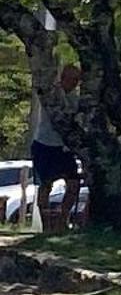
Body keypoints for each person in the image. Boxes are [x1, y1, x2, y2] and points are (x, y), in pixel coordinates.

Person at [29, 64, 82, 234]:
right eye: (71, 79)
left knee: (73, 183)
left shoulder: (75, 99)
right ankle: (46, 226)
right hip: (44, 144)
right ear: (63, 78)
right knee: (45, 185)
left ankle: (62, 221)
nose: (74, 83)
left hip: (63, 148)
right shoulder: (52, 94)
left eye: (77, 80)